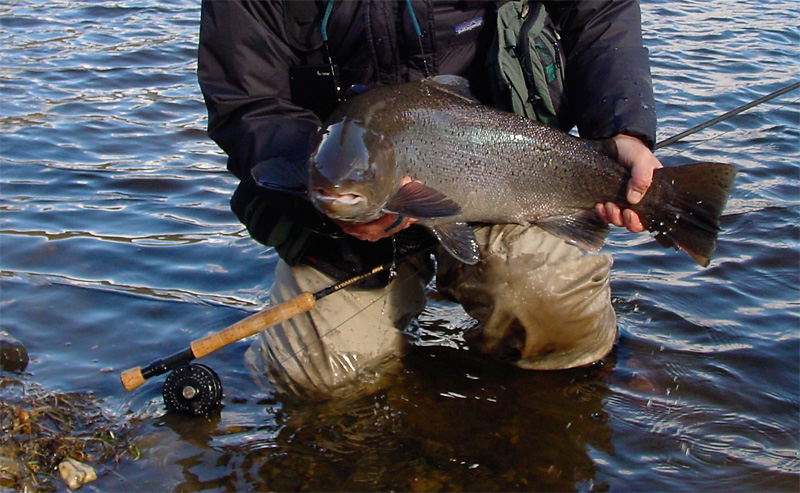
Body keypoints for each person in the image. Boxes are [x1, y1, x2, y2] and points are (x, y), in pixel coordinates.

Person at [198, 0, 662, 396]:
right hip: (344, 184)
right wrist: (321, 203)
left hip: (504, 169)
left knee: (555, 312)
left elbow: (598, 12)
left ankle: (590, 384)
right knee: (318, 383)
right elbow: (247, 102)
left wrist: (622, 128)